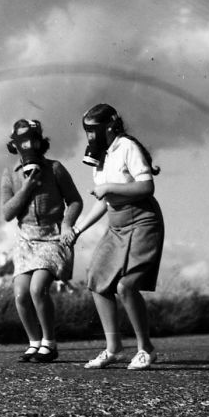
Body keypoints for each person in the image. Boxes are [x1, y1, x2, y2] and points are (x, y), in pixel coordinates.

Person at [65, 104, 164, 370]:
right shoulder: (100, 156)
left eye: (94, 131)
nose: (90, 137)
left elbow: (146, 186)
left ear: (109, 127)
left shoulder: (127, 147)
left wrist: (109, 186)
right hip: (117, 224)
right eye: (87, 132)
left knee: (126, 286)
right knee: (97, 280)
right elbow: (104, 200)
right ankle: (113, 348)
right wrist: (77, 230)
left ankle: (146, 349)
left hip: (143, 221)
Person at [1, 119, 83, 363]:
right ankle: (34, 343)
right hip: (26, 238)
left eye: (33, 140)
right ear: (15, 145)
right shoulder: (10, 175)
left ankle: (50, 343)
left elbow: (75, 200)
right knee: (21, 294)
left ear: (41, 142)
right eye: (23, 142)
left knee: (38, 288)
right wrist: (27, 187)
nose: (29, 146)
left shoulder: (55, 168)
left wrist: (67, 223)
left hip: (52, 236)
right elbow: (7, 213)